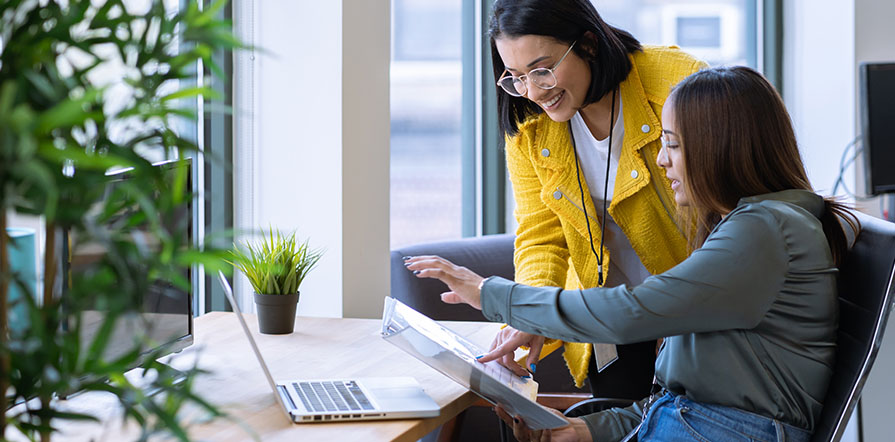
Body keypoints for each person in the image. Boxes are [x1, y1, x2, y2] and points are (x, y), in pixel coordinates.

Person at [405, 66, 859, 441]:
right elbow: (683, 404)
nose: (663, 161)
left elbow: (630, 314)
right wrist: (582, 431)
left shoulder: (765, 232)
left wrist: (490, 293)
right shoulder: (754, 228)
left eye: (674, 145)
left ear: (722, 150)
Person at [478, 0, 707, 397]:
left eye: (542, 70)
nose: (533, 91)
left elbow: (729, 215)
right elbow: (540, 234)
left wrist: (679, 321)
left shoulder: (676, 83)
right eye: (514, 76)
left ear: (588, 44)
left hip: (701, 314)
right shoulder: (530, 124)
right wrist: (529, 316)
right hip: (609, 323)